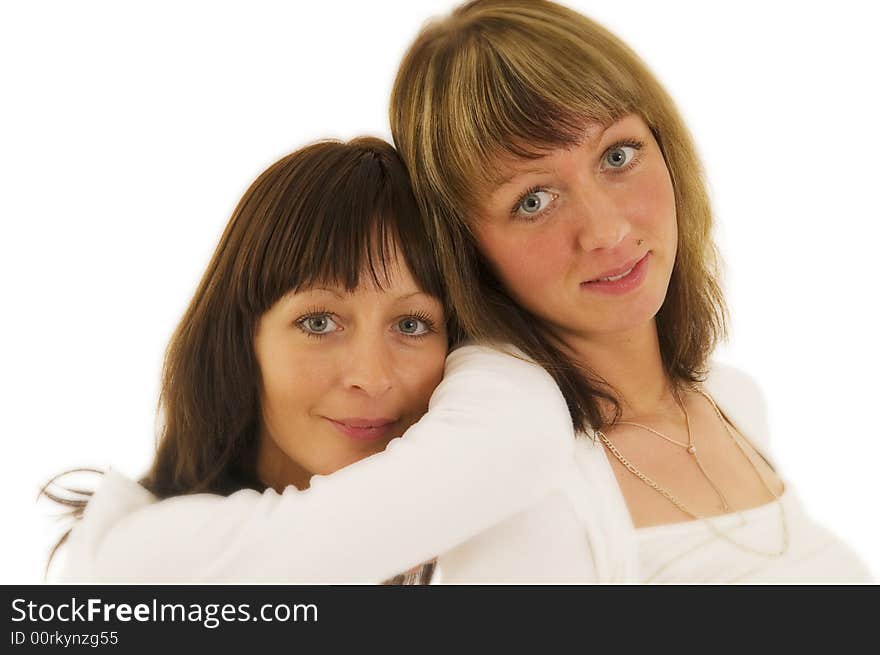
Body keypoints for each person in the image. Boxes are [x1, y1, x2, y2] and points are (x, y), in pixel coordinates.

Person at [387, 0, 871, 582]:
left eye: (618, 156)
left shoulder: (731, 399)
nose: (607, 230)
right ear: (467, 250)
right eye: (534, 200)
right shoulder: (528, 484)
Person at [47, 136, 580, 584]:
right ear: (240, 339)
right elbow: (518, 430)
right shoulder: (146, 558)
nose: (370, 377)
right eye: (319, 323)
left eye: (412, 325)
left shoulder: (471, 543)